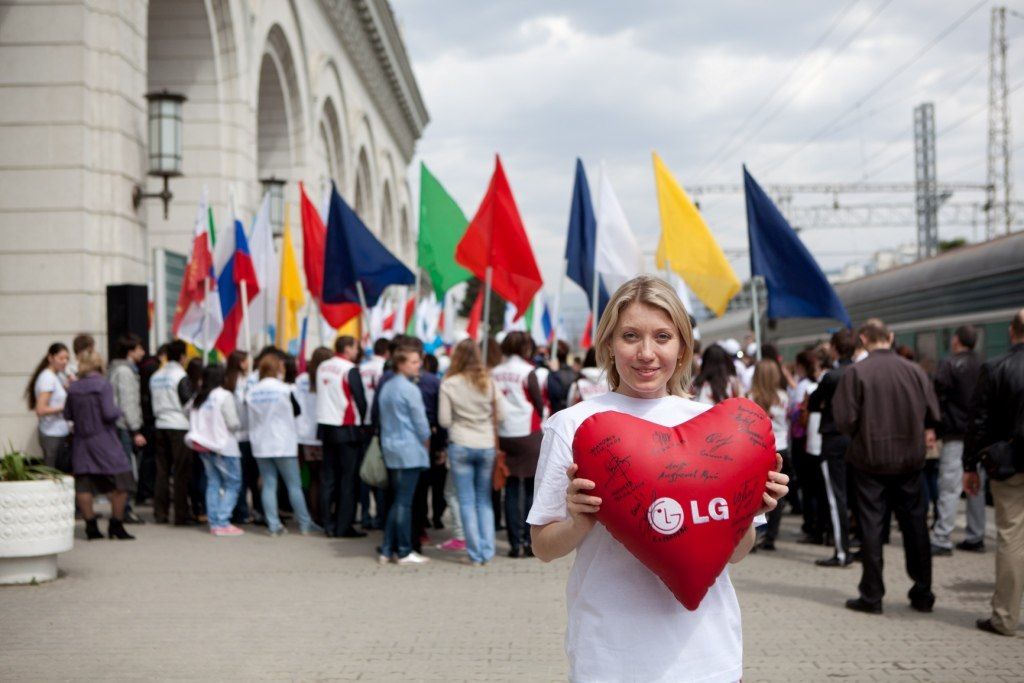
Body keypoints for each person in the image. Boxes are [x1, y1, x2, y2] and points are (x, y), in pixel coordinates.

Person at [529, 276, 788, 682]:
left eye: (662, 337)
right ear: (609, 344)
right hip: (610, 658)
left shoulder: (720, 427)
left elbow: (736, 554)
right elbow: (543, 547)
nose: (646, 353)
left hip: (708, 655)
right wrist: (580, 522)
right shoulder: (573, 425)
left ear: (682, 347)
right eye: (630, 336)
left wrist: (747, 510)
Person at [833, 319, 940, 614]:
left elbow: (844, 420)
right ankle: (923, 592)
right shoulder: (915, 370)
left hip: (869, 460)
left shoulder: (857, 373)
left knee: (871, 526)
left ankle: (872, 594)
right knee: (915, 526)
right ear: (890, 337)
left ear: (864, 339)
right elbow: (933, 412)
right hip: (910, 460)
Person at [963, 309, 1024, 636]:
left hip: (1010, 464)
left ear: (1012, 332)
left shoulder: (997, 367)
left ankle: (1004, 617)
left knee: (1012, 538)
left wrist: (970, 465)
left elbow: (978, 423)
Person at [439, 339, 503, 566]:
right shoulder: (489, 381)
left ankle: (475, 553)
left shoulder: (449, 383)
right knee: (483, 500)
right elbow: (502, 415)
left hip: (460, 442)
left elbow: (444, 420)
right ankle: (488, 549)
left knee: (465, 500)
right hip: (485, 443)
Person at [62, 350, 135, 540]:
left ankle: (91, 526)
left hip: (81, 441)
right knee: (121, 479)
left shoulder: (74, 387)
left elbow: (67, 415)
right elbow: (109, 413)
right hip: (104, 439)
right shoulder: (103, 385)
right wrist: (120, 411)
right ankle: (116, 524)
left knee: (84, 484)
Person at [247, 353, 319, 536]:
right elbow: (297, 412)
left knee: (269, 485)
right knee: (293, 485)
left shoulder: (252, 391)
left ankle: (274, 525)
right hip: (283, 443)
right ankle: (305, 523)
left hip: (261, 444)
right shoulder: (286, 389)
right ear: (277, 368)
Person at [930, 325, 984, 556]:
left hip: (955, 435)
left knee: (949, 487)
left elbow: (937, 398)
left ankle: (942, 537)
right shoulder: (984, 365)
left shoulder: (949, 364)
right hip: (980, 436)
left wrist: (933, 426)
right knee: (976, 487)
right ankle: (976, 535)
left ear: (956, 340)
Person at [492, 331, 545, 558]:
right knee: (532, 488)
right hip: (528, 432)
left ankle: (515, 544)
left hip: (504, 432)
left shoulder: (494, 372)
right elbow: (539, 403)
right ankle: (529, 540)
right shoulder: (528, 371)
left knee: (511, 488)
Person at [377, 346, 432, 565]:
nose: (418, 365)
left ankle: (387, 548)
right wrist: (426, 439)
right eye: (413, 362)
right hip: (409, 448)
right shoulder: (409, 389)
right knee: (404, 503)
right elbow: (421, 423)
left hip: (391, 446)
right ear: (400, 364)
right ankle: (403, 550)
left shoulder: (387, 387)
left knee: (398, 501)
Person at [807, 329, 857, 567]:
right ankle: (862, 547)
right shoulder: (860, 372)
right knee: (858, 495)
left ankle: (842, 551)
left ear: (835, 349)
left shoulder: (831, 377)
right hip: (857, 439)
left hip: (833, 438)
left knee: (836, 496)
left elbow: (814, 403)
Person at [316, 336, 367, 538]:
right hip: (346, 428)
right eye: (355, 347)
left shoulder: (322, 367)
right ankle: (343, 525)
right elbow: (360, 400)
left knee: (328, 478)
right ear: (347, 348)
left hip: (325, 426)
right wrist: (363, 423)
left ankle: (327, 523)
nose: (357, 351)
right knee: (348, 480)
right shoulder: (349, 369)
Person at [184, 365, 244, 536]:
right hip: (224, 446)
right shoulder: (223, 396)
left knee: (213, 483)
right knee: (233, 483)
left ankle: (215, 522)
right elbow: (233, 423)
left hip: (204, 445)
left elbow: (186, 412)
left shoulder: (199, 397)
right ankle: (223, 521)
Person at [149, 340, 194, 525]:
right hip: (179, 426)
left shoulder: (157, 375)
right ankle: (181, 514)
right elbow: (188, 403)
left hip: (160, 424)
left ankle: (160, 513)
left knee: (162, 471)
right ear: (183, 357)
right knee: (181, 472)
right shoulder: (180, 375)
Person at [751, 359, 790, 551]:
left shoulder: (750, 397)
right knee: (777, 495)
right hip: (782, 447)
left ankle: (755, 533)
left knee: (757, 494)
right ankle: (771, 536)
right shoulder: (783, 396)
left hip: (759, 450)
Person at [107, 334, 147, 524]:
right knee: (127, 469)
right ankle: (125, 508)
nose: (143, 352)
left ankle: (123, 508)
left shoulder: (117, 369)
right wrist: (136, 429)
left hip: (120, 426)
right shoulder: (124, 372)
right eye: (139, 348)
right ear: (130, 351)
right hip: (124, 426)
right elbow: (128, 402)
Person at [296, 347, 332, 526]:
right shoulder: (326, 378)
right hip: (322, 433)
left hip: (305, 434)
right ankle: (324, 514)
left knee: (313, 478)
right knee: (325, 477)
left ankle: (314, 514)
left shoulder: (302, 379)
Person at [225, 350, 260, 525]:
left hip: (234, 437)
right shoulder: (245, 383)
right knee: (248, 477)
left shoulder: (227, 382)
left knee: (239, 477)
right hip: (245, 435)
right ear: (241, 363)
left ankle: (241, 511)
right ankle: (245, 512)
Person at [25, 342, 71, 468]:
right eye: (61, 358)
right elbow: (41, 409)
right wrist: (65, 408)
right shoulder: (47, 378)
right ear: (50, 358)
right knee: (52, 474)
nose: (65, 362)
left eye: (67, 358)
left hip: (60, 432)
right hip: (52, 434)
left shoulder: (57, 376)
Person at [546, 340, 577, 414]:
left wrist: (554, 373)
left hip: (557, 415)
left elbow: (557, 394)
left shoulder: (553, 374)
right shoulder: (575, 373)